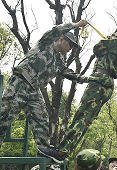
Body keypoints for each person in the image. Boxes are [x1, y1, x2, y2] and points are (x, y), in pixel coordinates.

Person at [38, 18, 117, 162]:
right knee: (82, 116)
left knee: (82, 117)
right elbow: (101, 49)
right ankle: (62, 150)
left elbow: (97, 48)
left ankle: (62, 152)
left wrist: (109, 41)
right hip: (101, 81)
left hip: (100, 81)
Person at [0, 20, 87, 150]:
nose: (71, 48)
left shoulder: (59, 60)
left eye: (74, 46)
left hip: (34, 90)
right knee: (4, 117)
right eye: (70, 44)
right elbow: (55, 30)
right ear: (62, 39)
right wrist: (75, 25)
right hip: (20, 83)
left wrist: (87, 79)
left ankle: (43, 149)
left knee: (41, 119)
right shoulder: (46, 43)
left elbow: (66, 72)